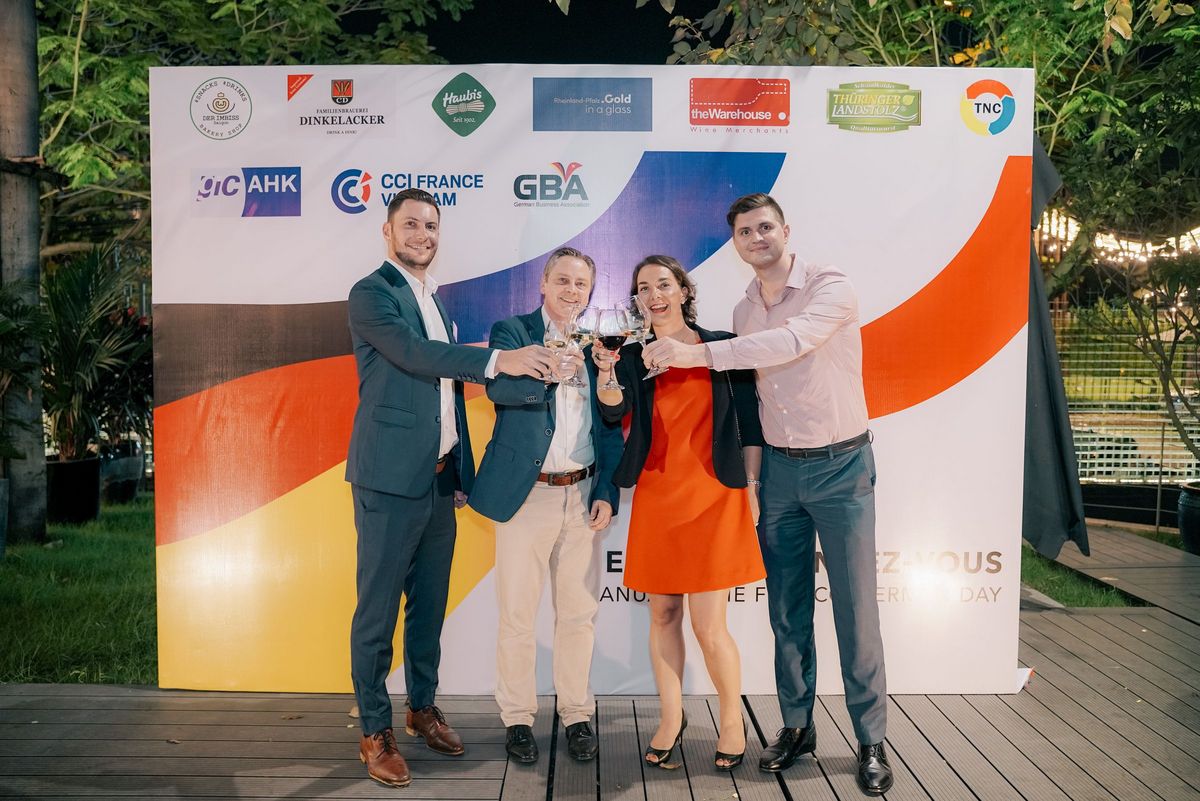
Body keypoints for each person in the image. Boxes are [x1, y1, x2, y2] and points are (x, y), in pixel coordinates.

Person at [641, 194, 892, 796]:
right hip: (778, 473)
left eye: (764, 227)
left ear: (785, 230)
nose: (756, 238)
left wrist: (697, 353)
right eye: (745, 232)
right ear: (735, 243)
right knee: (786, 610)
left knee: (856, 610)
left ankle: (871, 740)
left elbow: (789, 343)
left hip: (841, 466)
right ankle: (797, 727)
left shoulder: (830, 286)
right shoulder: (744, 307)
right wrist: (753, 481)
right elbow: (751, 401)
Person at [345, 188, 558, 788]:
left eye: (431, 226)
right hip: (389, 480)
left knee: (429, 607)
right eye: (411, 224)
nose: (423, 235)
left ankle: (421, 709)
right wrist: (497, 361)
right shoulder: (371, 293)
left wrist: (459, 469)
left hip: (439, 480)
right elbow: (417, 356)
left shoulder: (435, 299)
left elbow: (446, 394)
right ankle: (375, 730)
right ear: (388, 232)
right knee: (377, 613)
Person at [592, 254, 765, 772]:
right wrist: (607, 373)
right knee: (663, 614)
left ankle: (732, 722)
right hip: (658, 493)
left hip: (715, 493)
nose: (654, 295)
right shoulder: (632, 355)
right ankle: (672, 718)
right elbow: (613, 411)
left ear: (684, 291)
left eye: (663, 284)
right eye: (644, 288)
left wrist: (752, 485)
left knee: (710, 626)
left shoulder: (721, 346)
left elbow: (750, 423)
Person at [469, 247, 624, 765]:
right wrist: (551, 373)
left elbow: (610, 424)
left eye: (581, 284)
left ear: (590, 292)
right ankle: (517, 718)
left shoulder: (598, 344)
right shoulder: (512, 331)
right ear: (543, 282)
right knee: (517, 614)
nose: (571, 291)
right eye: (562, 280)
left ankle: (577, 714)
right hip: (526, 495)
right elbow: (501, 391)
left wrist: (606, 491)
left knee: (578, 614)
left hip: (582, 493)